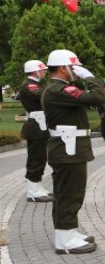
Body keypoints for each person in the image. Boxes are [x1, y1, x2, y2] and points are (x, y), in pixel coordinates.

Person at [41, 49, 105, 255]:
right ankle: (65, 240)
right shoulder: (58, 90)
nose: (77, 72)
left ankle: (67, 232)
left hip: (70, 147)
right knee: (69, 194)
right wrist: (91, 78)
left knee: (68, 193)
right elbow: (96, 97)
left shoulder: (60, 89)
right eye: (74, 67)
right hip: (68, 149)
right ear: (62, 68)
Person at [19, 59, 53, 203]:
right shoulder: (30, 85)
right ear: (35, 71)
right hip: (36, 126)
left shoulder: (36, 84)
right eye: (43, 69)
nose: (45, 72)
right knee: (36, 158)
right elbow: (43, 95)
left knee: (41, 157)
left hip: (41, 124)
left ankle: (37, 187)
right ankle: (33, 191)